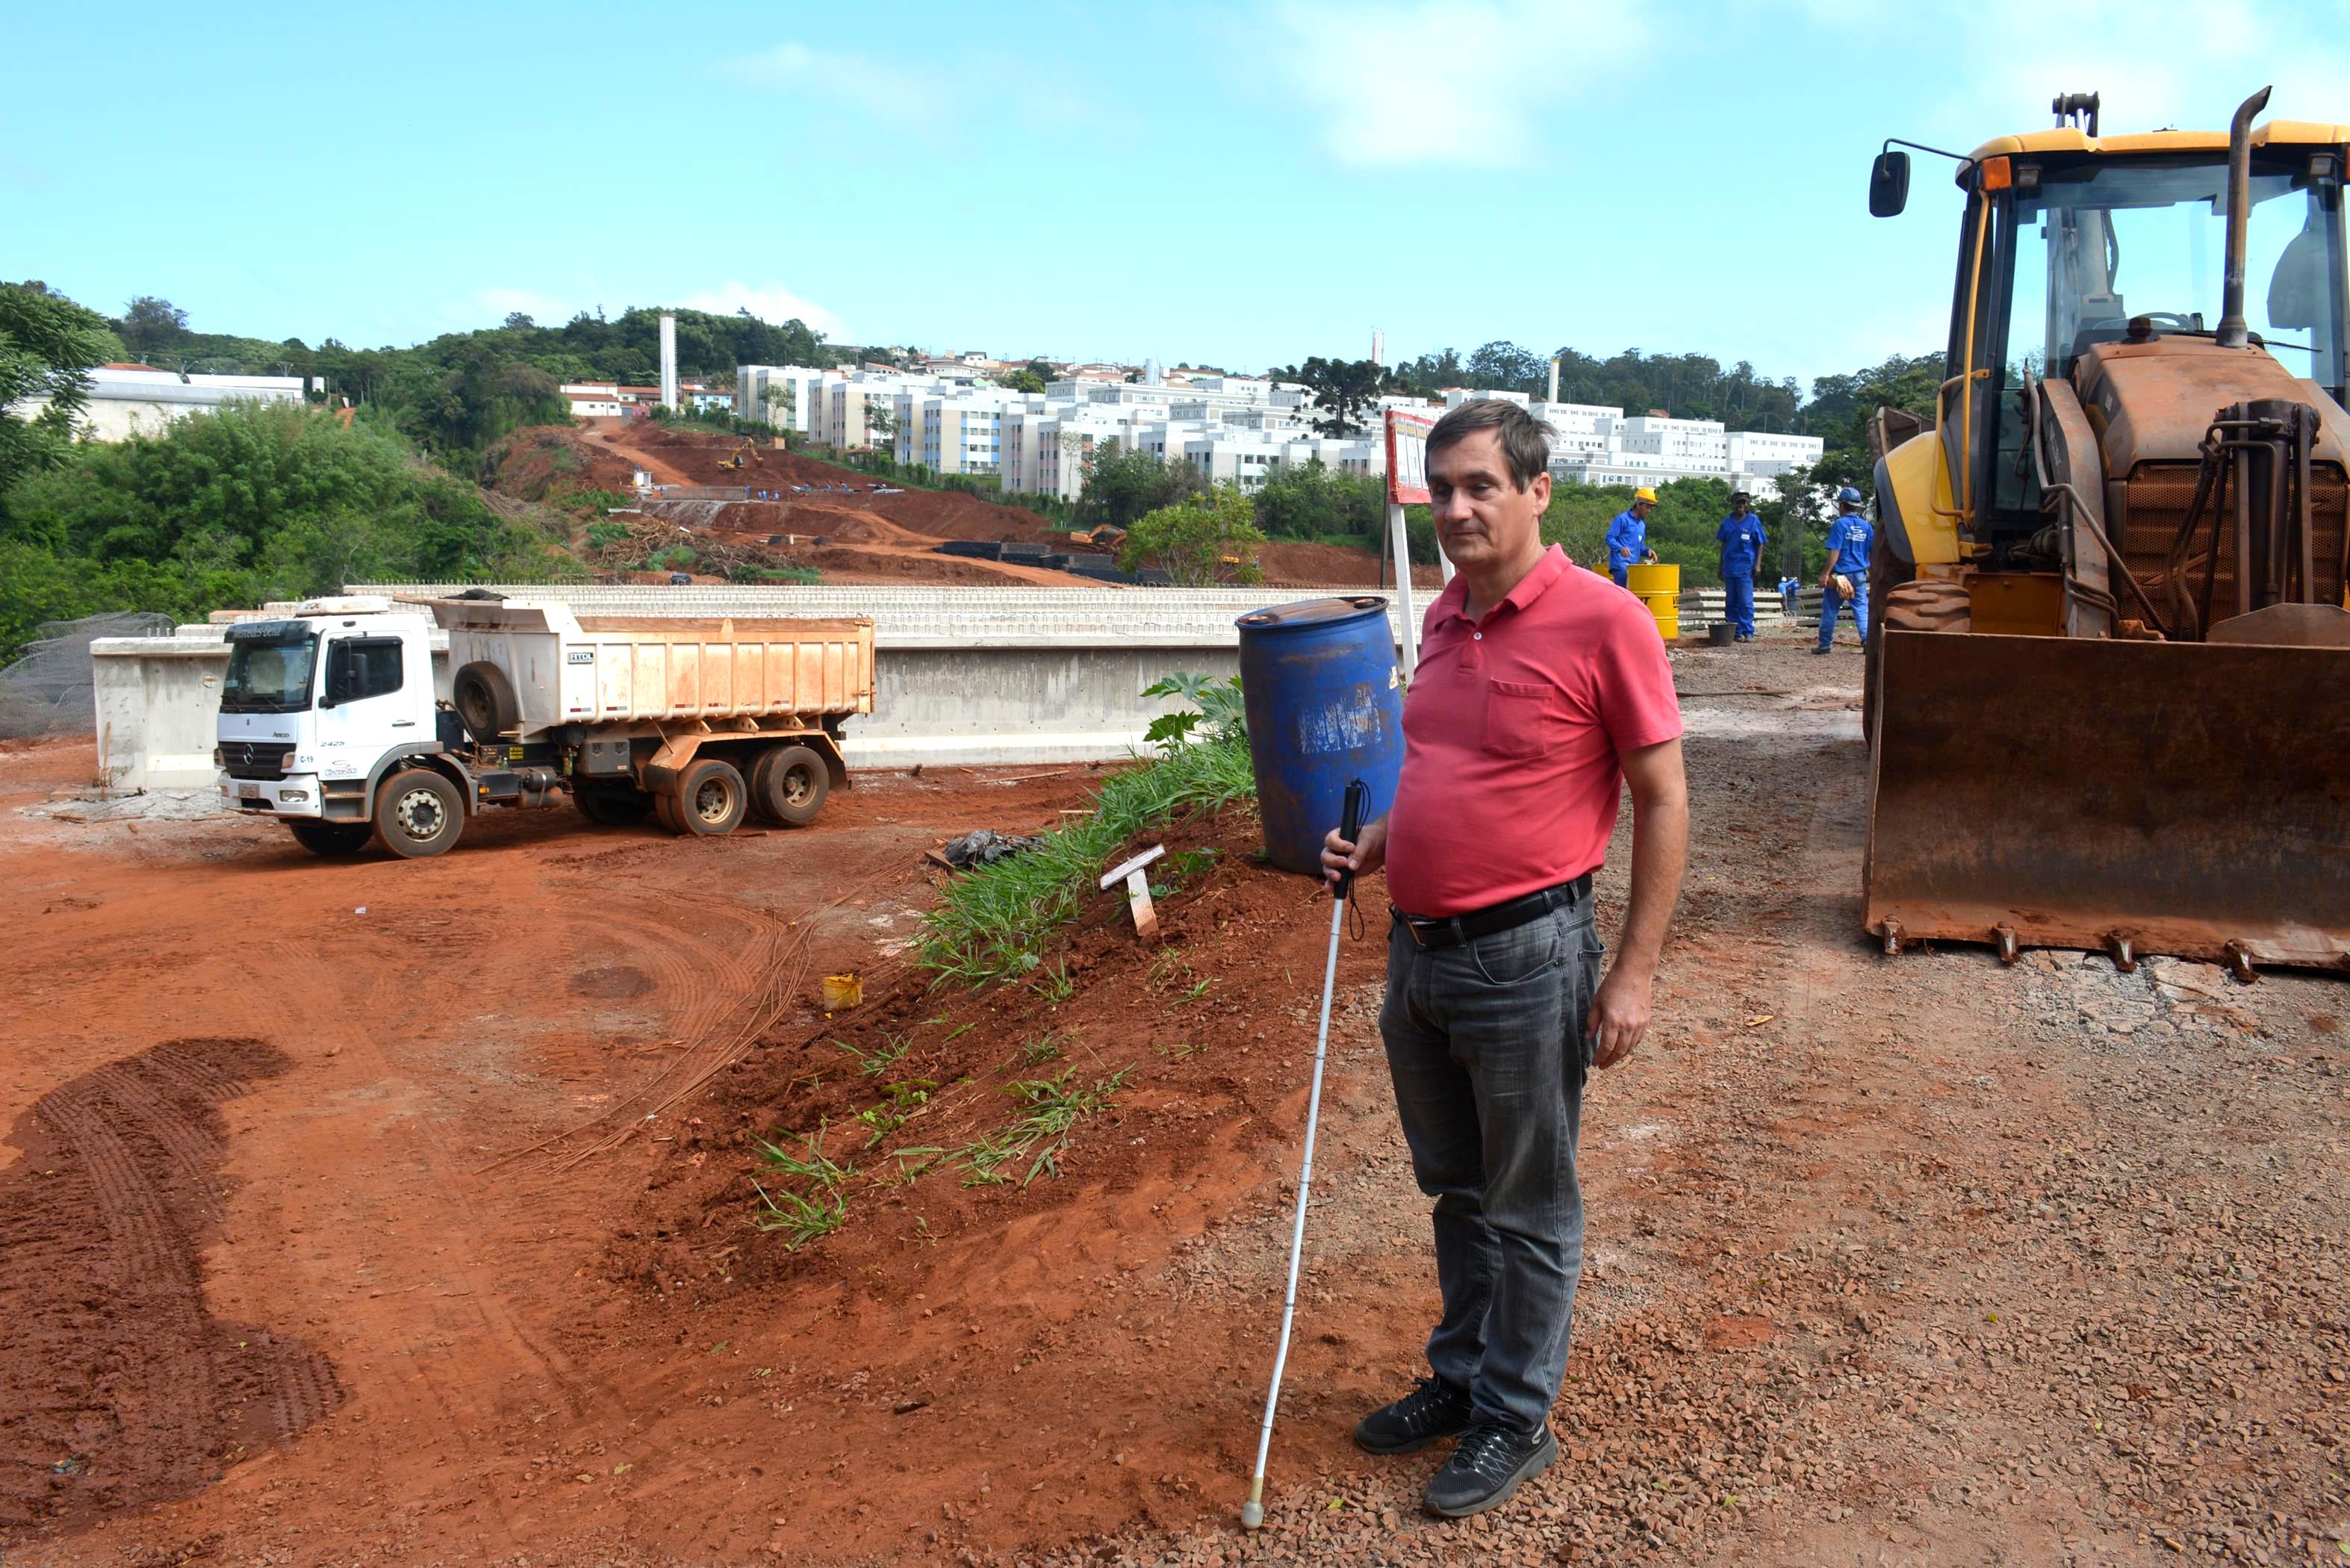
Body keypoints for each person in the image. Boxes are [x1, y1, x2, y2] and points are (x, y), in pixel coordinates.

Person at [1321, 399, 1689, 1520]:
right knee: (1455, 1190)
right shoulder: (1440, 620)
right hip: (1418, 957)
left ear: (1536, 492)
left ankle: (1513, 1417)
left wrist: (1631, 973)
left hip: (1527, 958)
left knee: (1528, 1204)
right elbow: (1443, 768)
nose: (1455, 508)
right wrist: (1376, 840)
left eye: (1478, 485)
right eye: (1439, 488)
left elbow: (1663, 798)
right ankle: (1463, 1372)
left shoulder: (1603, 620)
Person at [1813, 486, 1874, 654]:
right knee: (1861, 609)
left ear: (1841, 505)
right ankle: (1867, 642)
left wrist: (1825, 574)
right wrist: (1871, 571)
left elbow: (1835, 551)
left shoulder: (1840, 525)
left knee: (1831, 610)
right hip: (1860, 575)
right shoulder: (1866, 527)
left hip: (1840, 575)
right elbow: (1872, 552)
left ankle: (1824, 645)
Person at [1713, 491, 1767, 641]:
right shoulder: (1727, 522)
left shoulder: (1753, 521)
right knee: (1731, 601)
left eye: (1744, 503)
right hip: (1730, 566)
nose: (1741, 506)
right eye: (1738, 503)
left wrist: (1758, 564)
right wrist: (1720, 566)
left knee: (1745, 600)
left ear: (1747, 504)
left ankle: (1748, 631)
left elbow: (1760, 543)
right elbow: (1723, 544)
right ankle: (1734, 631)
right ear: (1734, 504)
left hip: (1745, 567)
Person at [1603, 488, 1659, 587]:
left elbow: (1639, 546)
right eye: (1647, 507)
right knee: (1623, 597)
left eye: (1651, 508)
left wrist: (1647, 551)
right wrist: (1620, 548)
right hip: (1621, 566)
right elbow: (1609, 538)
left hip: (1634, 568)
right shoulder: (1622, 519)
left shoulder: (1642, 525)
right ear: (1638, 504)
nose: (1649, 511)